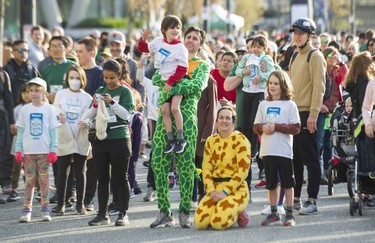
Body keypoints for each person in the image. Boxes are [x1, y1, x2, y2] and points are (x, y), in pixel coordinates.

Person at [150, 26, 210, 229]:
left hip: (187, 119)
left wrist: (171, 85)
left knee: (185, 167)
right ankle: (165, 212)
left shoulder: (201, 65)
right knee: (158, 163)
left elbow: (197, 85)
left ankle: (184, 210)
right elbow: (157, 78)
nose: (190, 40)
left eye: (195, 38)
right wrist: (173, 84)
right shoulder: (170, 56)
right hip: (165, 118)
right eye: (188, 37)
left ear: (200, 43)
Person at [84, 59, 134, 226]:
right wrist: (85, 120)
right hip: (101, 139)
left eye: (112, 78)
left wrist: (112, 101)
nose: (108, 81)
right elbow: (92, 111)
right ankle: (102, 214)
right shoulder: (100, 90)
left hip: (119, 138)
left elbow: (126, 115)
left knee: (121, 178)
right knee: (102, 178)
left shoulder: (125, 91)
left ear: (119, 76)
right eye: (106, 77)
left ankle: (123, 213)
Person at [288, 17, 326, 215]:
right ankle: (295, 199)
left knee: (311, 159)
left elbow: (319, 87)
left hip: (307, 113)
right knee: (295, 159)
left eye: (301, 33)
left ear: (310, 35)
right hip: (293, 112)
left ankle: (312, 200)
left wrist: (313, 114)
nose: (297, 36)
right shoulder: (295, 55)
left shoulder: (315, 56)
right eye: (295, 33)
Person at [253, 70, 301, 227]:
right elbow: (255, 126)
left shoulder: (290, 105)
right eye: (270, 83)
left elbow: (296, 127)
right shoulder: (263, 104)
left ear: (283, 85)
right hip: (267, 150)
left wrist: (277, 126)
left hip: (284, 151)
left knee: (288, 183)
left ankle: (289, 214)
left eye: (276, 83)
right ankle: (274, 213)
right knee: (271, 183)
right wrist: (262, 127)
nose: (272, 86)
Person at [138, 15, 189, 154]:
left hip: (178, 82)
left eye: (178, 28)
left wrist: (172, 81)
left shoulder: (180, 48)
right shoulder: (158, 42)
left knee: (174, 108)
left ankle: (180, 138)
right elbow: (144, 48)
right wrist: (144, 39)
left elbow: (183, 69)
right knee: (164, 110)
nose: (175, 30)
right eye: (172, 27)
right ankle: (170, 139)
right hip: (164, 83)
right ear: (164, 29)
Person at [194, 106, 251, 230]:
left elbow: (243, 171)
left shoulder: (241, 140)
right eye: (221, 118)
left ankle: (240, 211)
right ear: (216, 121)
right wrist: (211, 191)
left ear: (233, 121)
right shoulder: (210, 141)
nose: (224, 121)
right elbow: (206, 168)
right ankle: (219, 209)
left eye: (228, 118)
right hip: (215, 189)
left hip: (236, 189)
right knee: (200, 223)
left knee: (217, 223)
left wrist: (225, 192)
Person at [14, 77, 59, 222]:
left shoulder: (50, 109)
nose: (33, 94)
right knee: (29, 181)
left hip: (44, 151)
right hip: (28, 152)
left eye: (37, 90)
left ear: (44, 92)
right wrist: (18, 149)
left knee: (44, 181)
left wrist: (53, 149)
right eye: (31, 91)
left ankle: (45, 209)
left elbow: (53, 131)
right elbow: (20, 131)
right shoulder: (24, 110)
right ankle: (27, 210)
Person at [52, 65, 92, 216]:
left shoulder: (87, 97)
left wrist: (87, 123)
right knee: (62, 172)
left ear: (82, 79)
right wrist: (58, 115)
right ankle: (61, 204)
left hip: (81, 138)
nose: (74, 81)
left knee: (81, 172)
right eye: (71, 78)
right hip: (64, 137)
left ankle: (80, 205)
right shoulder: (61, 95)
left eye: (77, 78)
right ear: (67, 79)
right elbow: (55, 109)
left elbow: (91, 116)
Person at [344, 51, 375, 207]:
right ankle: (368, 191)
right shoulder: (365, 83)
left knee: (362, 154)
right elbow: (367, 105)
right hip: (365, 122)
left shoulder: (352, 82)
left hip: (357, 121)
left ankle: (365, 189)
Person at [8, 84, 31, 202]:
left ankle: (31, 188)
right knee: (16, 167)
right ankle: (14, 189)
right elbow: (13, 127)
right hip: (18, 142)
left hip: (31, 143)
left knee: (30, 167)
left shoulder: (35, 108)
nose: (26, 95)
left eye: (28, 92)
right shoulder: (17, 109)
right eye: (24, 93)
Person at [4, 39, 39, 106]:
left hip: (30, 107)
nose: (23, 53)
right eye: (20, 50)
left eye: (26, 51)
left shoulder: (32, 69)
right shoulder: (6, 70)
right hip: (11, 108)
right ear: (12, 52)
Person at [0, 70, 15, 203]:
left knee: (5, 152)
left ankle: (6, 181)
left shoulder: (3, 75)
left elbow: (8, 98)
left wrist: (12, 121)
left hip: (2, 119)